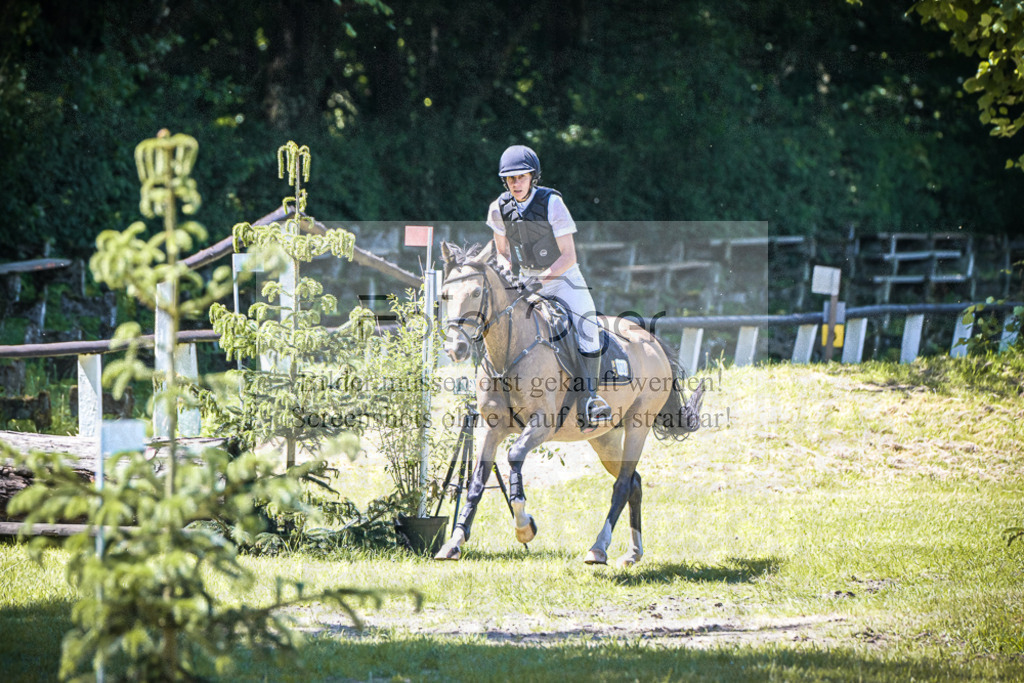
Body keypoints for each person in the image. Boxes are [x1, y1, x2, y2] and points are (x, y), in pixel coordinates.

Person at [485, 144, 612, 431]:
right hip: (526, 281)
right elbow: (502, 253)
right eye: (510, 179)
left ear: (533, 176)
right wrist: (507, 272)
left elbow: (569, 255)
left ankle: (591, 399)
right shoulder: (499, 208)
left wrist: (541, 279)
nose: (516, 183)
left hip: (564, 278)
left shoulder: (552, 203)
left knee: (587, 326)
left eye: (521, 177)